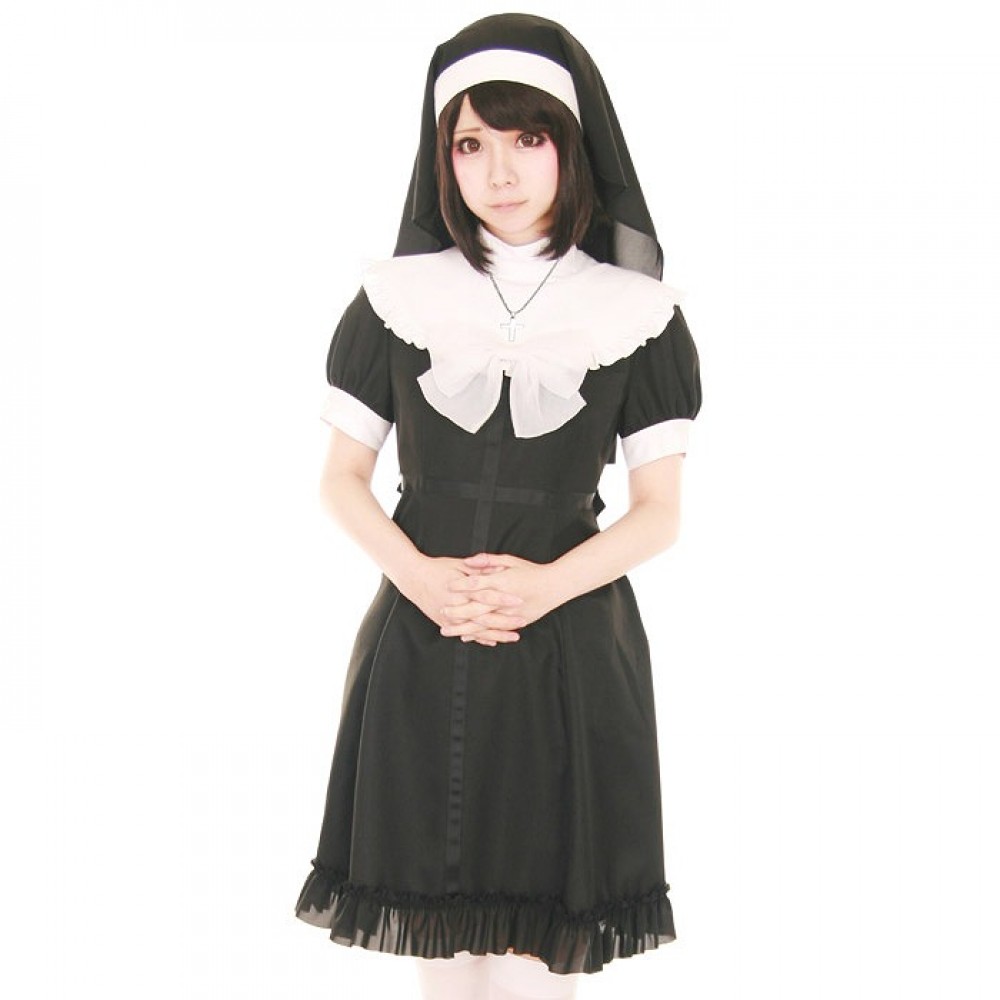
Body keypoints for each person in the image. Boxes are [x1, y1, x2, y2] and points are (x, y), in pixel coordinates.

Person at [294, 13, 702, 999]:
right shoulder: (393, 300)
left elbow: (659, 512)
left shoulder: (638, 315)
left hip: (567, 652)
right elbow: (341, 478)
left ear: (572, 145)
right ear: (443, 159)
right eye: (471, 144)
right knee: (439, 950)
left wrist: (542, 588)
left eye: (528, 137)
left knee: (539, 957)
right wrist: (422, 579)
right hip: (420, 641)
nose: (500, 170)